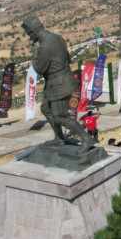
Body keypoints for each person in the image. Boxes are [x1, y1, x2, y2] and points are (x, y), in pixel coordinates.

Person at [21, 16, 94, 153]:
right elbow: (69, 58)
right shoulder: (57, 37)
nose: (30, 37)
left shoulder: (44, 46)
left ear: (33, 32)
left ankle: (86, 138)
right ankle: (59, 138)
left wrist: (35, 53)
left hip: (59, 84)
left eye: (29, 34)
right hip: (61, 80)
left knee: (59, 116)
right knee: (46, 108)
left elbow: (39, 69)